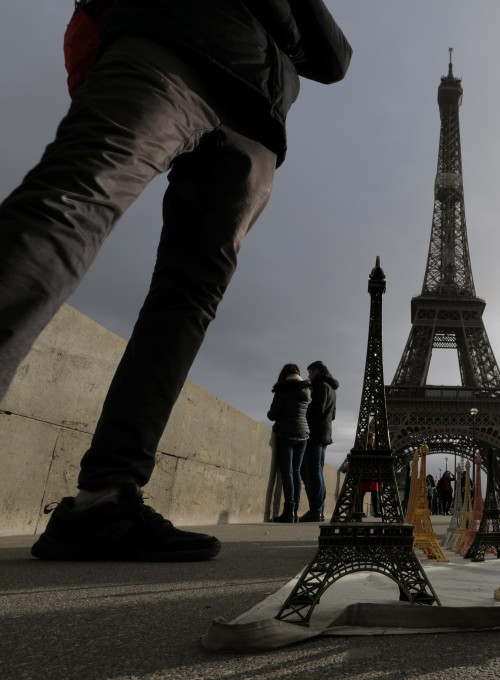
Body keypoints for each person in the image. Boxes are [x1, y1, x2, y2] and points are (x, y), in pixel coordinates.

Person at [17, 2, 351, 561]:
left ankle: (105, 497)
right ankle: (106, 492)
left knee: (187, 297)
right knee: (70, 206)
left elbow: (337, 58)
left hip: (252, 115)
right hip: (171, 40)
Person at [267, 364, 312, 523]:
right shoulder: (307, 390)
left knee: (287, 472)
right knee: (296, 472)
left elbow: (272, 415)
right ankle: (295, 512)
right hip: (303, 434)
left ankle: (288, 512)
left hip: (287, 433)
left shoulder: (283, 389)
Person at [299, 361, 338, 523]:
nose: (308, 375)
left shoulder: (321, 386)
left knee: (312, 471)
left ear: (317, 371)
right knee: (317, 471)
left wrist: (304, 411)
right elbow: (333, 415)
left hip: (315, 433)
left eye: (310, 372)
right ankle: (319, 510)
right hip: (325, 433)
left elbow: (317, 408)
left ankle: (316, 509)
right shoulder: (332, 389)